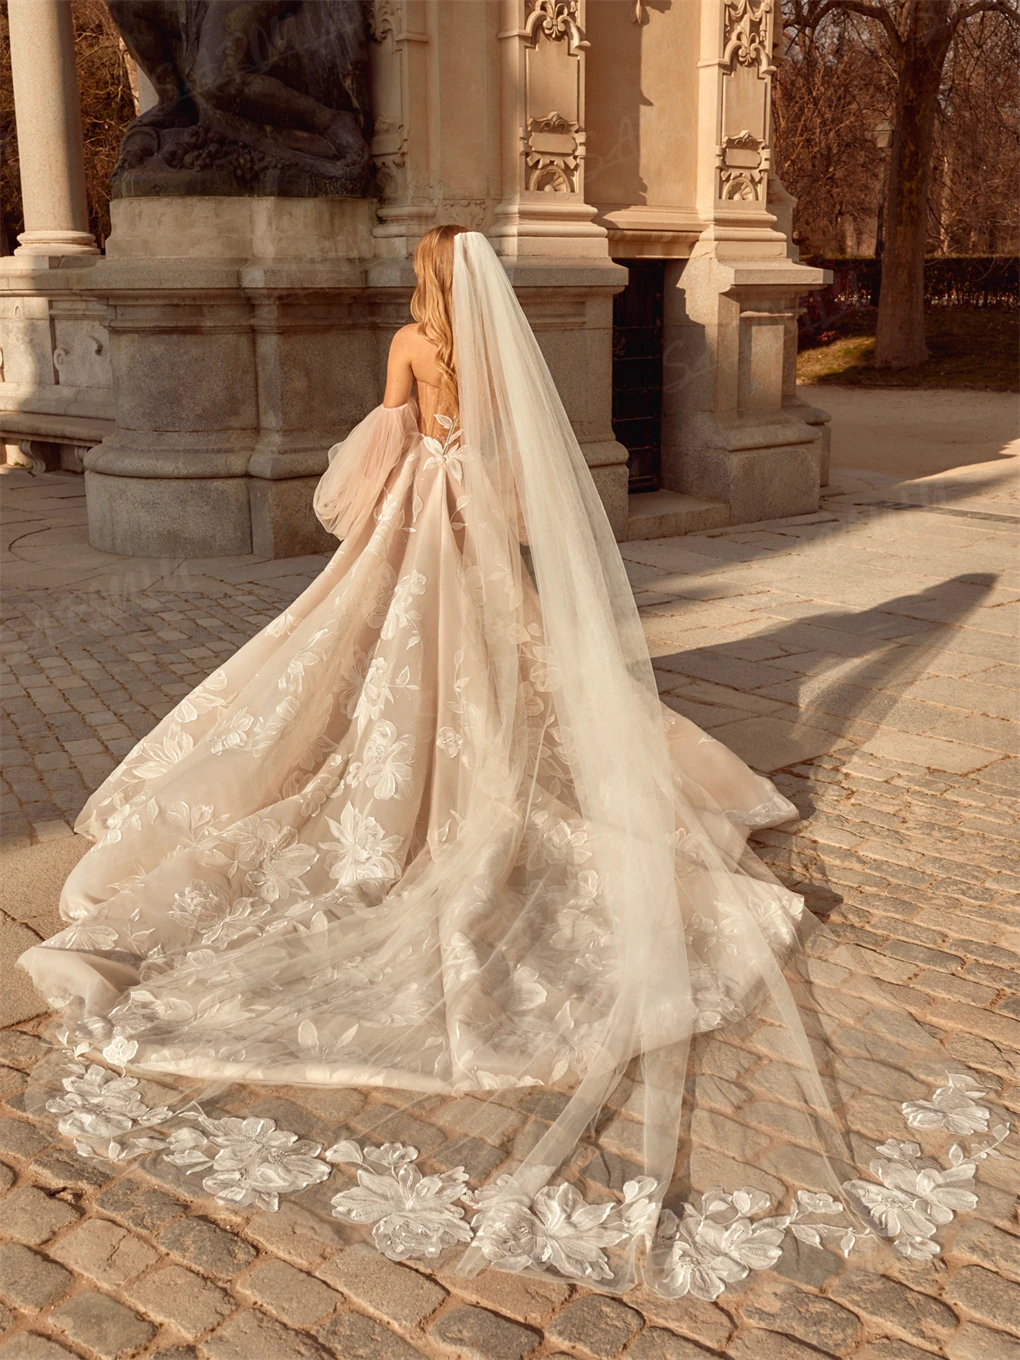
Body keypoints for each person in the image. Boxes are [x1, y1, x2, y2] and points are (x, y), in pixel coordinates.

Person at [17, 228, 1006, 1299]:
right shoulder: (495, 356)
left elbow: (375, 458)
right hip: (472, 529)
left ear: (427, 283)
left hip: (413, 532)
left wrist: (392, 472)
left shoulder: (410, 344)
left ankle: (403, 807)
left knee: (378, 667)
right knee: (500, 669)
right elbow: (512, 462)